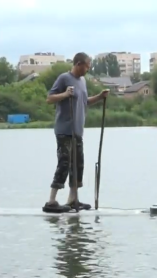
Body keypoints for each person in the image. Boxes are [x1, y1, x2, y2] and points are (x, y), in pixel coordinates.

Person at [43, 52, 109, 212]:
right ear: (79, 64)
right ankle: (51, 201)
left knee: (77, 165)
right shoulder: (64, 78)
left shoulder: (83, 81)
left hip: (78, 131)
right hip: (65, 130)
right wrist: (65, 94)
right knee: (64, 163)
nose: (89, 68)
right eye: (87, 65)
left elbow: (84, 102)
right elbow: (49, 98)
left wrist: (100, 97)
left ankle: (73, 200)